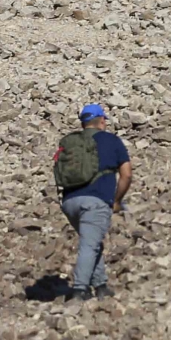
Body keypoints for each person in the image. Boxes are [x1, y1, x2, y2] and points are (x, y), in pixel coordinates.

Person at [56, 104, 132, 301]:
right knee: (89, 245)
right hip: (95, 202)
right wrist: (117, 200)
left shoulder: (72, 141)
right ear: (102, 121)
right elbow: (126, 175)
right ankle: (80, 290)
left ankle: (101, 285)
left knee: (92, 241)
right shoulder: (111, 140)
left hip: (69, 202)